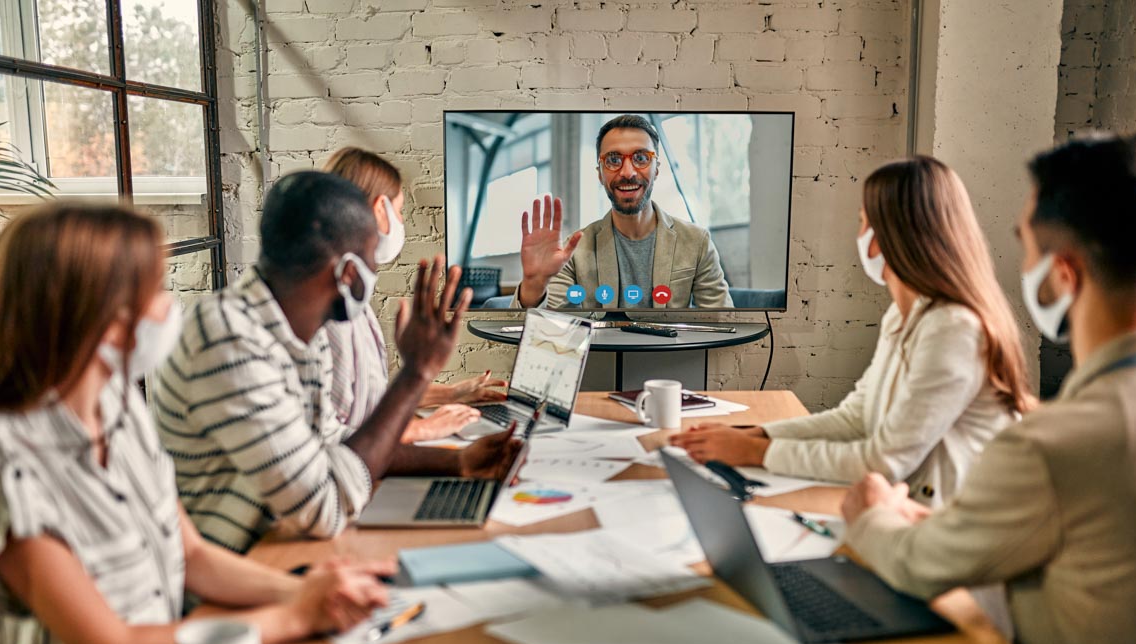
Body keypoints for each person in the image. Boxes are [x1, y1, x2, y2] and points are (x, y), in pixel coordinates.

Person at [0, 203, 392, 644]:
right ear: (98, 315)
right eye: (155, 292)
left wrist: (313, 591)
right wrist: (294, 617)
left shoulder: (120, 408)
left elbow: (190, 554)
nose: (169, 309)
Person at [841, 133, 1136, 644]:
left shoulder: (1056, 444)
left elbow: (916, 565)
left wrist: (871, 512)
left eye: (1023, 242)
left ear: (1064, 275)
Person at [151, 172, 521, 554]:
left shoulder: (300, 335)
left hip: (278, 544)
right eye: (371, 256)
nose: (375, 271)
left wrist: (459, 463)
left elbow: (335, 450)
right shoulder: (228, 339)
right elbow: (323, 509)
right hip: (238, 570)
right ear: (348, 272)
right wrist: (416, 373)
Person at [672, 156, 1032, 507]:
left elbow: (884, 462)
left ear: (883, 237)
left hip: (952, 525)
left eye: (863, 221)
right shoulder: (904, 316)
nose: (858, 235)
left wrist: (756, 452)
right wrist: (756, 434)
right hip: (908, 505)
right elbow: (856, 420)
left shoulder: (952, 328)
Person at [322, 147, 507, 440]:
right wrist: (425, 428)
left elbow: (368, 400)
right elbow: (333, 434)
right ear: (380, 210)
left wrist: (451, 394)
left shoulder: (352, 299)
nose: (402, 222)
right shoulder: (330, 312)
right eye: (399, 211)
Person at [511, 114, 732, 310]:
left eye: (641, 158)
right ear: (600, 174)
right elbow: (544, 333)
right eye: (614, 160)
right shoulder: (575, 251)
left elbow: (723, 323)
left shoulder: (696, 242)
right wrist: (533, 285)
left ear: (656, 169)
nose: (627, 172)